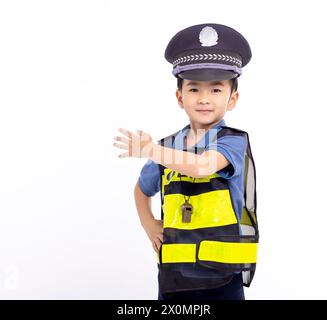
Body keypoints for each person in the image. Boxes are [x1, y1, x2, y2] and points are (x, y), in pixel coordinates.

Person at [113, 23, 259, 300]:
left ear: (233, 99)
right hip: (174, 278)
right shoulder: (166, 148)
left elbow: (202, 166)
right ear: (180, 97)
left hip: (222, 279)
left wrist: (150, 150)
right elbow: (142, 189)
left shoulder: (232, 142)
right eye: (193, 89)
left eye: (216, 90)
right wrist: (148, 223)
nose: (204, 98)